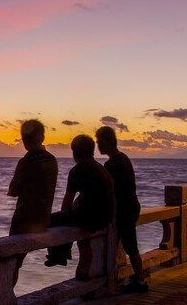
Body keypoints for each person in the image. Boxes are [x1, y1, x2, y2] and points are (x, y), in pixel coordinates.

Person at [44, 134, 114, 267]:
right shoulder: (101, 169)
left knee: (52, 220)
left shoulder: (78, 170)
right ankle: (62, 254)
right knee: (69, 216)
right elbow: (94, 194)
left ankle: (58, 255)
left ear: (75, 152)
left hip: (90, 220)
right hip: (105, 219)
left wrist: (65, 216)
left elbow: (67, 201)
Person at [96, 126, 148, 293]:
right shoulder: (124, 158)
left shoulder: (112, 164)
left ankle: (140, 281)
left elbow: (110, 192)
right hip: (133, 205)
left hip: (124, 209)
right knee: (130, 243)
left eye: (100, 142)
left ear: (110, 141)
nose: (98, 146)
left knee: (130, 245)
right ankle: (138, 276)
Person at [7, 119, 57, 284]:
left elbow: (12, 191)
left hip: (24, 220)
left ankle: (5, 299)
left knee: (11, 263)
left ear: (24, 140)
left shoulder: (26, 162)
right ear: (42, 137)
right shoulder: (52, 161)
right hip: (43, 219)